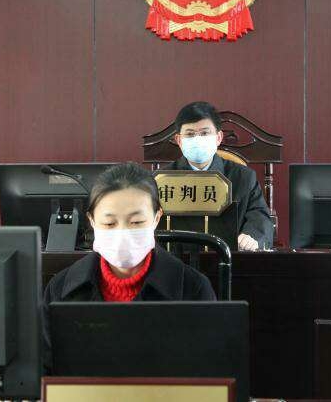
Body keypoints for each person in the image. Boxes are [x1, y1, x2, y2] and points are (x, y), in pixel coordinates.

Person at [42, 162, 215, 371]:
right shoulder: (60, 289)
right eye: (109, 224)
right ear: (92, 221)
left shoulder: (193, 288)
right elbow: (47, 371)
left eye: (136, 222)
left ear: (156, 218)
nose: (122, 234)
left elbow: (209, 372)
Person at [165, 101, 274, 251]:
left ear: (218, 137)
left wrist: (252, 236)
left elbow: (260, 217)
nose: (197, 139)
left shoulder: (244, 177)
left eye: (205, 133)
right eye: (190, 134)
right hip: (176, 259)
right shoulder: (162, 179)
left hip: (229, 258)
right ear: (179, 140)